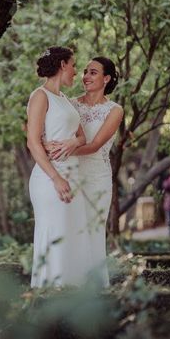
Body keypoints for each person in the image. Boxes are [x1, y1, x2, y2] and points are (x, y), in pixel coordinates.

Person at [47, 56, 123, 287]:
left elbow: (95, 145)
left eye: (93, 72)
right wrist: (51, 146)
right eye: (84, 72)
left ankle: (96, 290)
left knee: (93, 234)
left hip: (97, 179)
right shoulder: (70, 103)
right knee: (71, 232)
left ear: (106, 78)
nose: (85, 76)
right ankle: (69, 288)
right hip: (70, 176)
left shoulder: (114, 110)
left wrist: (67, 148)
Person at [27, 46, 90, 287]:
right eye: (73, 65)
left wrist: (72, 141)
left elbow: (82, 137)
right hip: (50, 177)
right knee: (56, 237)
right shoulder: (40, 96)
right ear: (62, 65)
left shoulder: (65, 100)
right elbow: (33, 142)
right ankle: (49, 299)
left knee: (74, 239)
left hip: (73, 175)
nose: (76, 71)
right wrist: (55, 177)